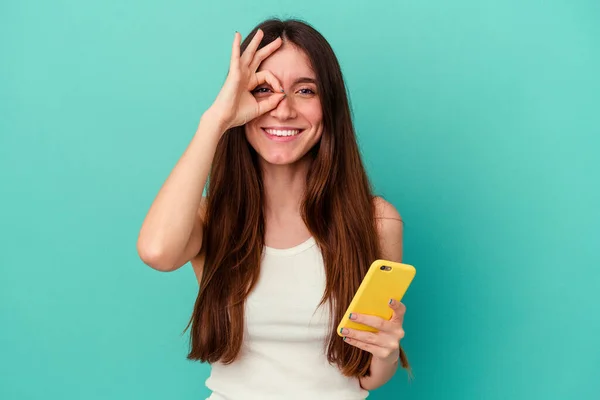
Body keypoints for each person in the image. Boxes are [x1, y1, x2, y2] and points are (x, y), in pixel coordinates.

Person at [137, 18, 410, 400]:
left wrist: (388, 351)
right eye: (264, 89)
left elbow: (366, 376)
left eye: (305, 90)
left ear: (329, 106)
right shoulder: (210, 219)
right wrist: (215, 120)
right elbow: (157, 252)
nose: (282, 111)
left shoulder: (375, 221)